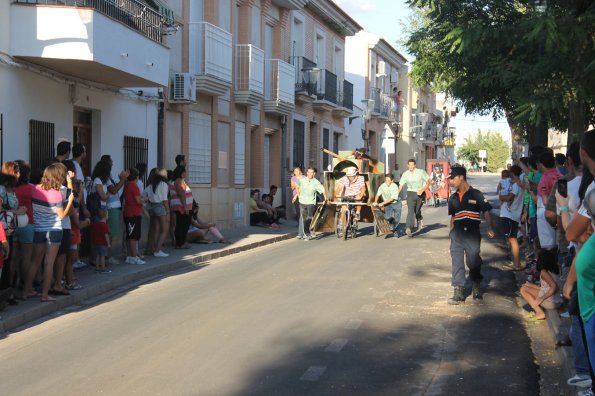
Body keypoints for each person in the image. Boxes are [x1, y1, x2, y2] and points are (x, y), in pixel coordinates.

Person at [26, 163, 75, 302]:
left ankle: (26, 291)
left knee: (35, 262)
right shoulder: (57, 194)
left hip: (38, 228)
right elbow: (61, 215)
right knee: (49, 263)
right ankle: (45, 295)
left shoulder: (35, 189)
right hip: (54, 230)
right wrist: (70, 201)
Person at [447, 166, 495, 304]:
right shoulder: (453, 198)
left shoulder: (476, 194)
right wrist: (451, 233)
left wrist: (490, 227)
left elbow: (486, 211)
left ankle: (476, 283)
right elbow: (453, 217)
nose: (451, 181)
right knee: (457, 262)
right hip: (457, 234)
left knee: (473, 261)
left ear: (461, 177)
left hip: (472, 234)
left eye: (453, 178)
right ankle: (458, 291)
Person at [519, 248, 562, 321]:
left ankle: (539, 312)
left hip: (551, 302)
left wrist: (540, 299)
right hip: (557, 300)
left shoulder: (544, 272)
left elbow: (554, 287)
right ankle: (539, 309)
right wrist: (531, 285)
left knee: (523, 290)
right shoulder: (554, 268)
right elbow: (546, 288)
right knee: (525, 286)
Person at [499, 165, 525, 270]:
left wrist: (502, 197)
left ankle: (517, 264)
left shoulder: (516, 186)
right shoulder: (517, 184)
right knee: (510, 238)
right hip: (510, 214)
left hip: (510, 215)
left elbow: (509, 198)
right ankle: (515, 262)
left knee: (512, 239)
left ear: (513, 174)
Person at [399, 159, 430, 236]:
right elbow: (401, 185)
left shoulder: (421, 172)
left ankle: (419, 218)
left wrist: (422, 190)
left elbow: (428, 182)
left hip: (420, 193)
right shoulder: (405, 174)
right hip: (410, 193)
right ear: (407, 165)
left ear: (415, 165)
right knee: (410, 210)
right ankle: (408, 228)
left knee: (417, 211)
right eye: (409, 165)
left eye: (412, 165)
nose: (411, 166)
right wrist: (396, 193)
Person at [144, 168, 170, 257]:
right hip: (160, 206)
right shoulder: (163, 184)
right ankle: (158, 250)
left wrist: (150, 199)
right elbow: (165, 200)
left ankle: (154, 249)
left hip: (152, 207)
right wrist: (168, 212)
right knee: (164, 230)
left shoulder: (150, 185)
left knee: (155, 229)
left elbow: (143, 196)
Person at [295, 166, 325, 240]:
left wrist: (326, 198)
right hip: (302, 201)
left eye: (311, 172)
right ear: (307, 173)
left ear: (314, 174)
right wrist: (298, 194)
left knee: (309, 217)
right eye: (308, 172)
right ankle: (307, 234)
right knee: (304, 219)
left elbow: (322, 190)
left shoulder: (316, 182)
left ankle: (309, 230)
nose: (310, 174)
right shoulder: (302, 180)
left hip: (311, 202)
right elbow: (296, 185)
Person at [123, 168, 145, 265]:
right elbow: (138, 200)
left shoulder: (127, 185)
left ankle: (129, 256)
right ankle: (134, 256)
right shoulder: (134, 186)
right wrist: (145, 200)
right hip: (133, 213)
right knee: (133, 236)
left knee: (129, 236)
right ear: (137, 177)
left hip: (128, 212)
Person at [170, 165, 193, 249]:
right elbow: (181, 194)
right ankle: (180, 243)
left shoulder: (178, 181)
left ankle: (181, 243)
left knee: (183, 224)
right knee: (183, 225)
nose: (186, 173)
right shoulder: (179, 181)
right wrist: (185, 207)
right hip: (181, 207)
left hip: (181, 206)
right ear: (181, 173)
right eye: (184, 172)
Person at [91, 209, 111, 273]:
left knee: (97, 256)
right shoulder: (104, 225)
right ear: (105, 216)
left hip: (96, 243)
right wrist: (108, 243)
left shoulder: (96, 224)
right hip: (103, 243)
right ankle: (103, 268)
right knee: (102, 256)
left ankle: (97, 268)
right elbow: (106, 235)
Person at [290, 166, 305, 238]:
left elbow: (304, 187)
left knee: (303, 212)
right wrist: (297, 183)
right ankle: (300, 226)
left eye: (298, 171)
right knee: (298, 211)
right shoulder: (293, 178)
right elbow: (292, 187)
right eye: (295, 171)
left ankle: (303, 229)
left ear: (300, 171)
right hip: (296, 196)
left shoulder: (304, 177)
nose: (296, 172)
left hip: (303, 196)